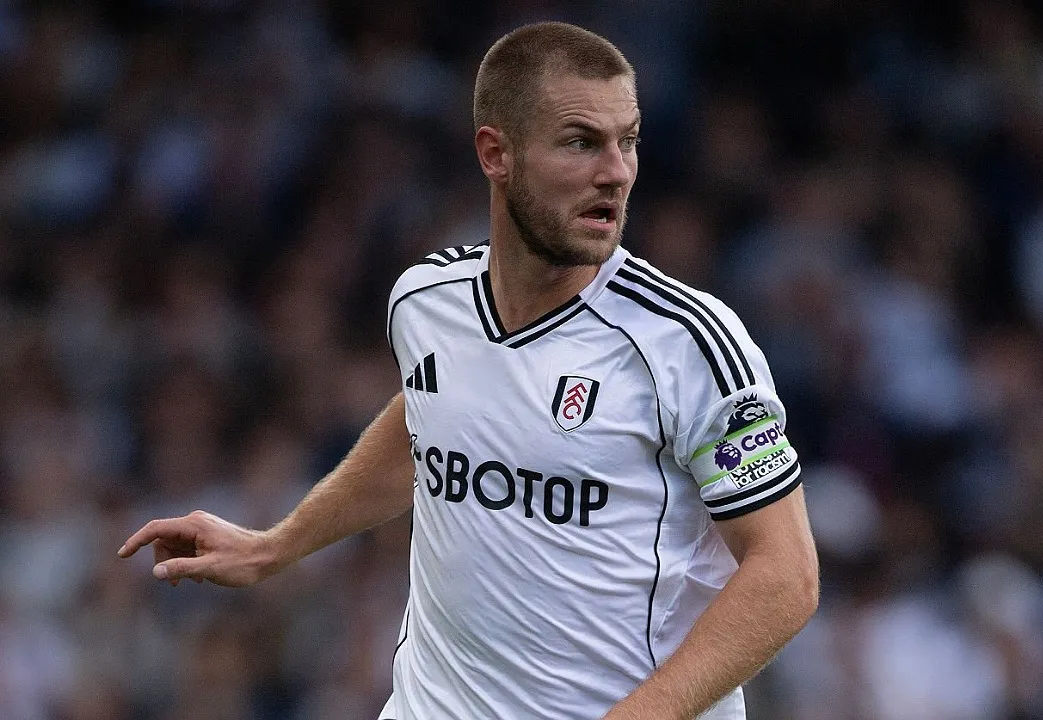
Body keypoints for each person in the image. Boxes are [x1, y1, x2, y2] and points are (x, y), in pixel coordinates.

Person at [119, 21, 818, 720]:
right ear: (496, 153)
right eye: (581, 141)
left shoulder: (687, 343)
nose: (617, 170)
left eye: (627, 140)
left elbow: (785, 577)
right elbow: (431, 420)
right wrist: (275, 546)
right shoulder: (425, 302)